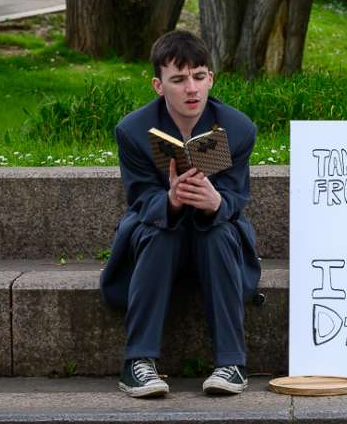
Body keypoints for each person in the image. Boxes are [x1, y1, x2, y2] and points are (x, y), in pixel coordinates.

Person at [99, 30, 261, 397]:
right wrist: (170, 200)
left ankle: (232, 363)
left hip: (214, 232)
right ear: (159, 85)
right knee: (159, 232)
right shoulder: (133, 130)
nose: (191, 89)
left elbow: (236, 195)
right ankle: (138, 362)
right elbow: (140, 198)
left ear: (211, 79)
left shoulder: (237, 128)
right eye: (178, 79)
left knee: (220, 232)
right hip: (158, 233)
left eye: (199, 77)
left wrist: (215, 202)